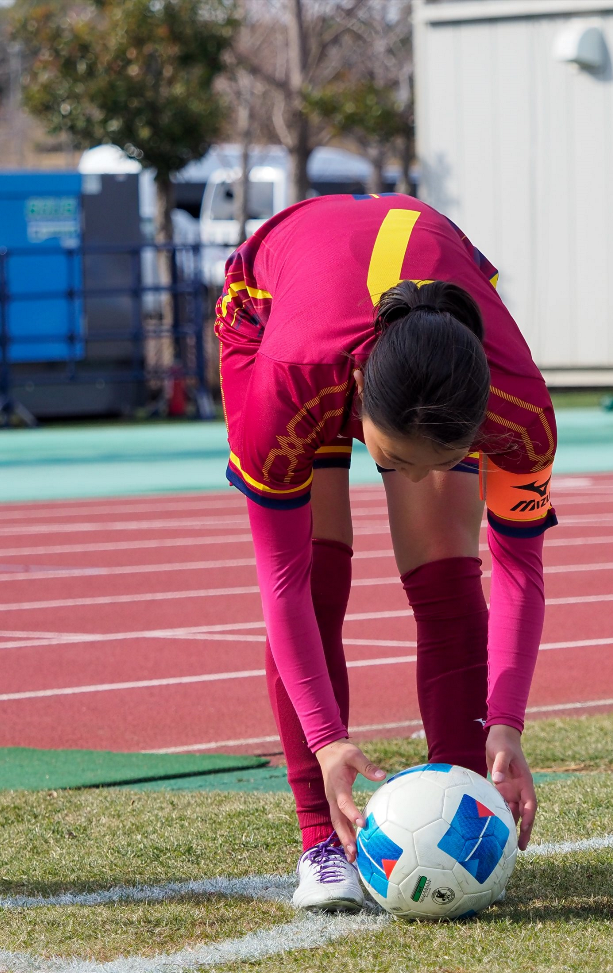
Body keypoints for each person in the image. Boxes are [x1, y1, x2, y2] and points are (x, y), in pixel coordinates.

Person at [216, 193, 556, 911]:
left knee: (446, 571)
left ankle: (462, 815)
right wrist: (327, 741)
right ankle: (321, 840)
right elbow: (282, 581)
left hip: (423, 322)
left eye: (441, 461)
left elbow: (519, 569)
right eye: (394, 460)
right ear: (360, 395)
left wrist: (506, 722)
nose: (409, 477)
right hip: (278, 317)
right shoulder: (293, 383)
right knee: (319, 574)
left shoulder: (520, 409)